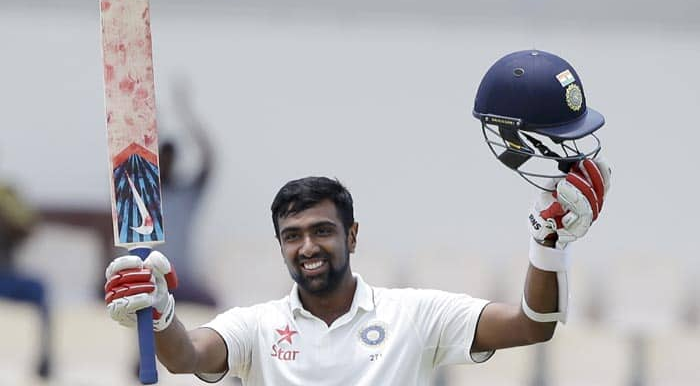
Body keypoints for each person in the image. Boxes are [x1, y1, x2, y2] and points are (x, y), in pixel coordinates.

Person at [103, 50, 612, 385]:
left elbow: (531, 326)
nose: (307, 247)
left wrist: (549, 244)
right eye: (292, 236)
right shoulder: (257, 326)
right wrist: (162, 312)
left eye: (322, 231)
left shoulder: (415, 316)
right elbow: (185, 357)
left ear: (352, 235)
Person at [157, 78, 217, 307]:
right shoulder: (142, 197)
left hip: (181, 279)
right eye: (161, 159)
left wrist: (186, 113)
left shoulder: (186, 195)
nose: (166, 164)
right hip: (149, 280)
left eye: (170, 159)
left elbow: (209, 159)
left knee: (213, 306)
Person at [0, 182, 52, 379]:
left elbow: (28, 228)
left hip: (7, 277)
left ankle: (45, 359)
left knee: (40, 289)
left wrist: (9, 213)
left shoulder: (6, 195)